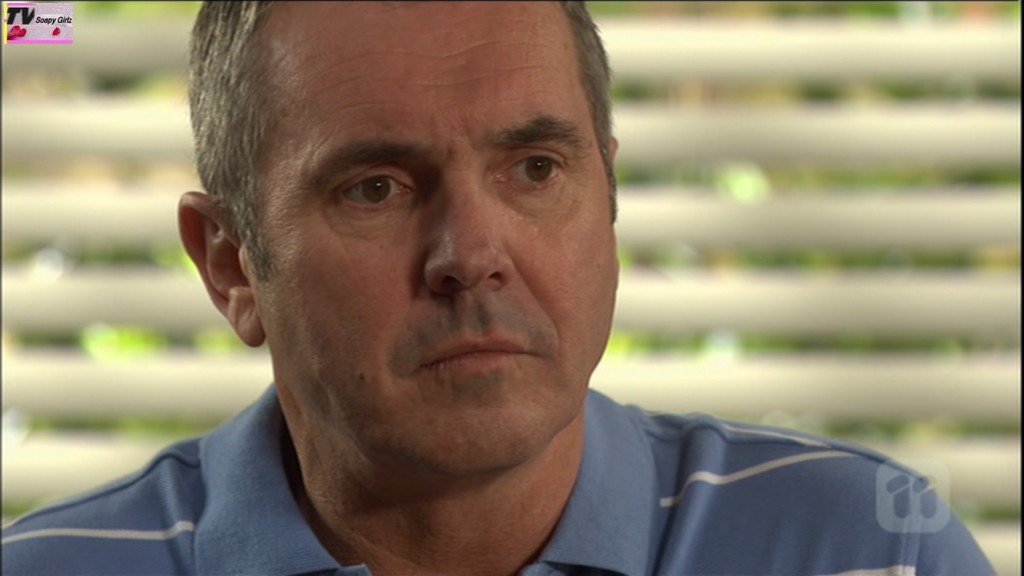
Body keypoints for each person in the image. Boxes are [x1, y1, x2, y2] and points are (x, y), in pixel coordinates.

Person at [2, 2, 995, 575]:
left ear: (609, 195)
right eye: (376, 187)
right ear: (229, 265)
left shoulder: (868, 548)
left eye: (534, 168)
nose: (471, 255)